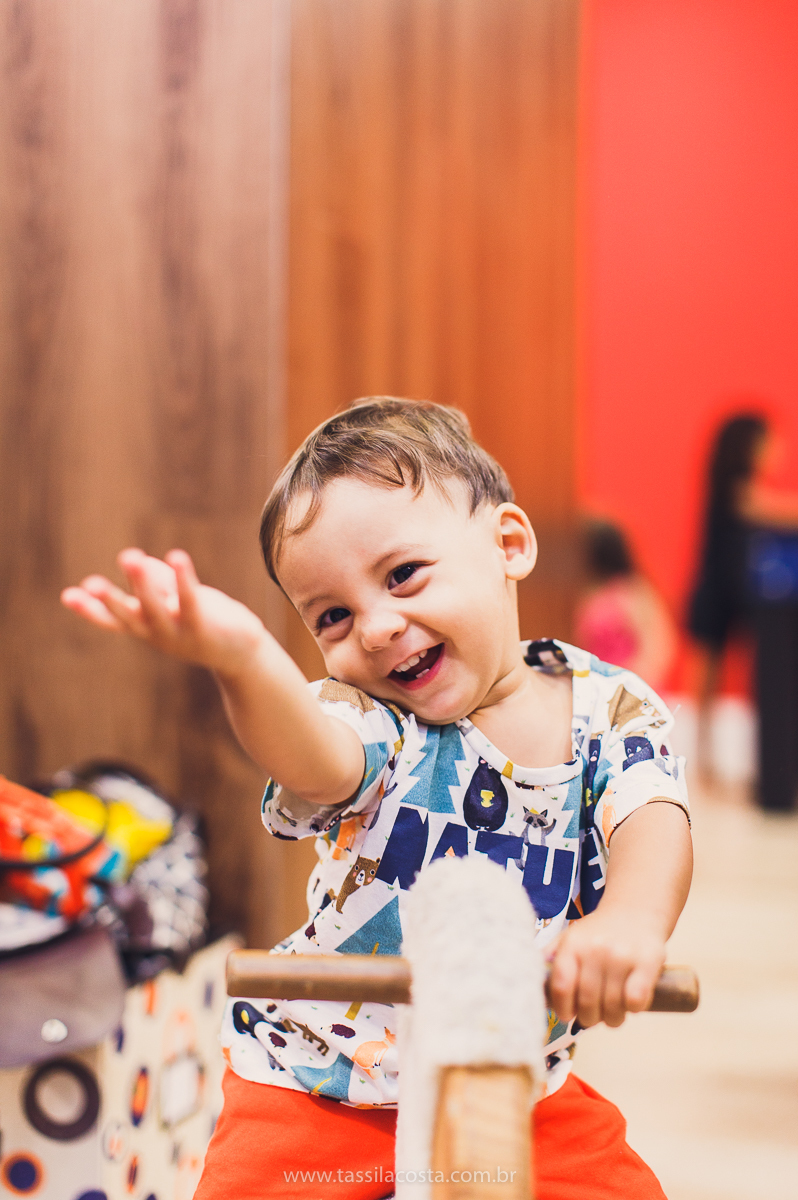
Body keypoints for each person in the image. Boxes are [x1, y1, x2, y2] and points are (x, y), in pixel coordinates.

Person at [62, 398, 692, 1200]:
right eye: (332, 616)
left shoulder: (613, 707)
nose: (378, 627)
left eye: (403, 576)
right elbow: (314, 757)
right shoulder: (374, 719)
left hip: (516, 1073)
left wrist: (630, 924)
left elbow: (651, 818)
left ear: (508, 545)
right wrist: (245, 658)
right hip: (319, 1082)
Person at [689, 413, 798, 808]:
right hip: (719, 591)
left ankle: (711, 764)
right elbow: (770, 511)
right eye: (769, 443)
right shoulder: (737, 489)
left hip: (745, 593)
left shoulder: (739, 487)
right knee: (705, 683)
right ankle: (699, 764)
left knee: (746, 680)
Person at [575, 521, 677, 694]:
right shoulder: (591, 593)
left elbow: (658, 648)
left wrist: (629, 685)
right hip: (598, 688)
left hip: (631, 690)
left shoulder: (634, 592)